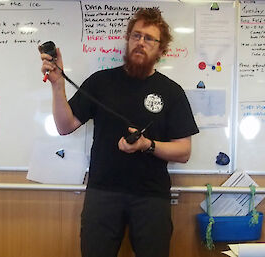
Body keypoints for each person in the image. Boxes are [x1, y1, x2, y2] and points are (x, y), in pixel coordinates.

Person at [40, 8, 199, 257]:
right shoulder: (101, 82)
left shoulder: (172, 92)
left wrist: (147, 144)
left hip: (151, 198)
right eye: (136, 36)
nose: (140, 43)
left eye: (149, 39)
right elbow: (64, 126)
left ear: (161, 49)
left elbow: (184, 151)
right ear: (128, 40)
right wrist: (58, 84)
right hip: (102, 194)